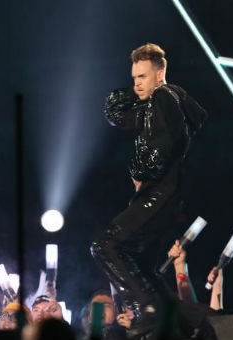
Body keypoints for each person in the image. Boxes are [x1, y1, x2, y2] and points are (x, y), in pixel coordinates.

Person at [90, 42, 207, 337]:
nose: (136, 83)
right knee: (140, 262)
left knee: (106, 245)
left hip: (159, 194)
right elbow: (115, 112)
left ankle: (151, 310)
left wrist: (141, 173)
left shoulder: (164, 98)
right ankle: (170, 316)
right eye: (133, 78)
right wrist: (134, 92)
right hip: (166, 195)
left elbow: (164, 144)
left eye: (142, 77)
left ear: (160, 74)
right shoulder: (159, 101)